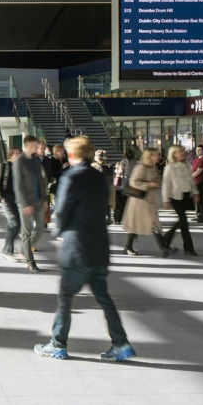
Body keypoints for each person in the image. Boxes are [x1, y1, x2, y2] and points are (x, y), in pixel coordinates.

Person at [34, 136, 136, 362]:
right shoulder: (99, 177)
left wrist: (58, 231)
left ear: (71, 155)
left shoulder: (71, 177)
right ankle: (121, 343)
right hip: (99, 246)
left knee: (66, 297)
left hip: (77, 249)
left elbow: (63, 211)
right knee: (104, 297)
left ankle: (58, 344)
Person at [122, 148, 171, 257]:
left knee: (153, 223)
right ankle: (163, 248)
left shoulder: (153, 167)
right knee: (137, 224)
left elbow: (154, 181)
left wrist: (156, 184)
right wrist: (149, 184)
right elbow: (133, 182)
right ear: (149, 156)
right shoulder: (140, 167)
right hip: (139, 202)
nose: (158, 157)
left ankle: (163, 248)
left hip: (149, 201)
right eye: (156, 155)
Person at [14, 134, 48, 273]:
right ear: (28, 146)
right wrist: (25, 204)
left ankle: (23, 248)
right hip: (25, 203)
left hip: (38, 201)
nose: (37, 148)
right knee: (26, 232)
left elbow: (41, 181)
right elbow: (18, 186)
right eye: (35, 146)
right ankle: (30, 262)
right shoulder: (19, 162)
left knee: (40, 228)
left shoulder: (35, 160)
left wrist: (45, 199)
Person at [162, 145, 198, 256]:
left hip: (186, 196)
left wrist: (195, 192)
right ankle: (189, 248)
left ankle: (165, 239)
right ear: (174, 154)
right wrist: (165, 200)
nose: (183, 153)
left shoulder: (187, 165)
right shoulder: (170, 167)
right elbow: (166, 184)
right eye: (180, 151)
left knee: (181, 222)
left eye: (183, 151)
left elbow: (191, 180)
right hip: (175, 197)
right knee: (184, 221)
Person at [0, 147, 22, 261]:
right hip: (6, 198)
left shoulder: (19, 167)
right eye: (17, 154)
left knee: (15, 223)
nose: (19, 155)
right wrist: (2, 196)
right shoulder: (5, 166)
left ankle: (8, 248)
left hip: (16, 199)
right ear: (11, 155)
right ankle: (7, 251)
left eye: (20, 153)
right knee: (14, 222)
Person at [113, 150, 136, 225]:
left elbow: (119, 172)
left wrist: (117, 173)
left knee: (122, 203)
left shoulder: (123, 162)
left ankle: (119, 219)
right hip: (134, 184)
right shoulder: (136, 162)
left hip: (125, 184)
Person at [91, 149, 114, 224]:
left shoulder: (94, 166)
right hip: (107, 189)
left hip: (97, 190)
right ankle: (108, 217)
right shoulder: (109, 166)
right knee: (106, 204)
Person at [191, 145, 203, 223]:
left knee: (201, 199)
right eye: (197, 149)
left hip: (200, 182)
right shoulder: (196, 159)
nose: (197, 151)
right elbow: (192, 169)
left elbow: (198, 172)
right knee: (198, 200)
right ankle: (198, 215)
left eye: (199, 150)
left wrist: (188, 178)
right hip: (195, 182)